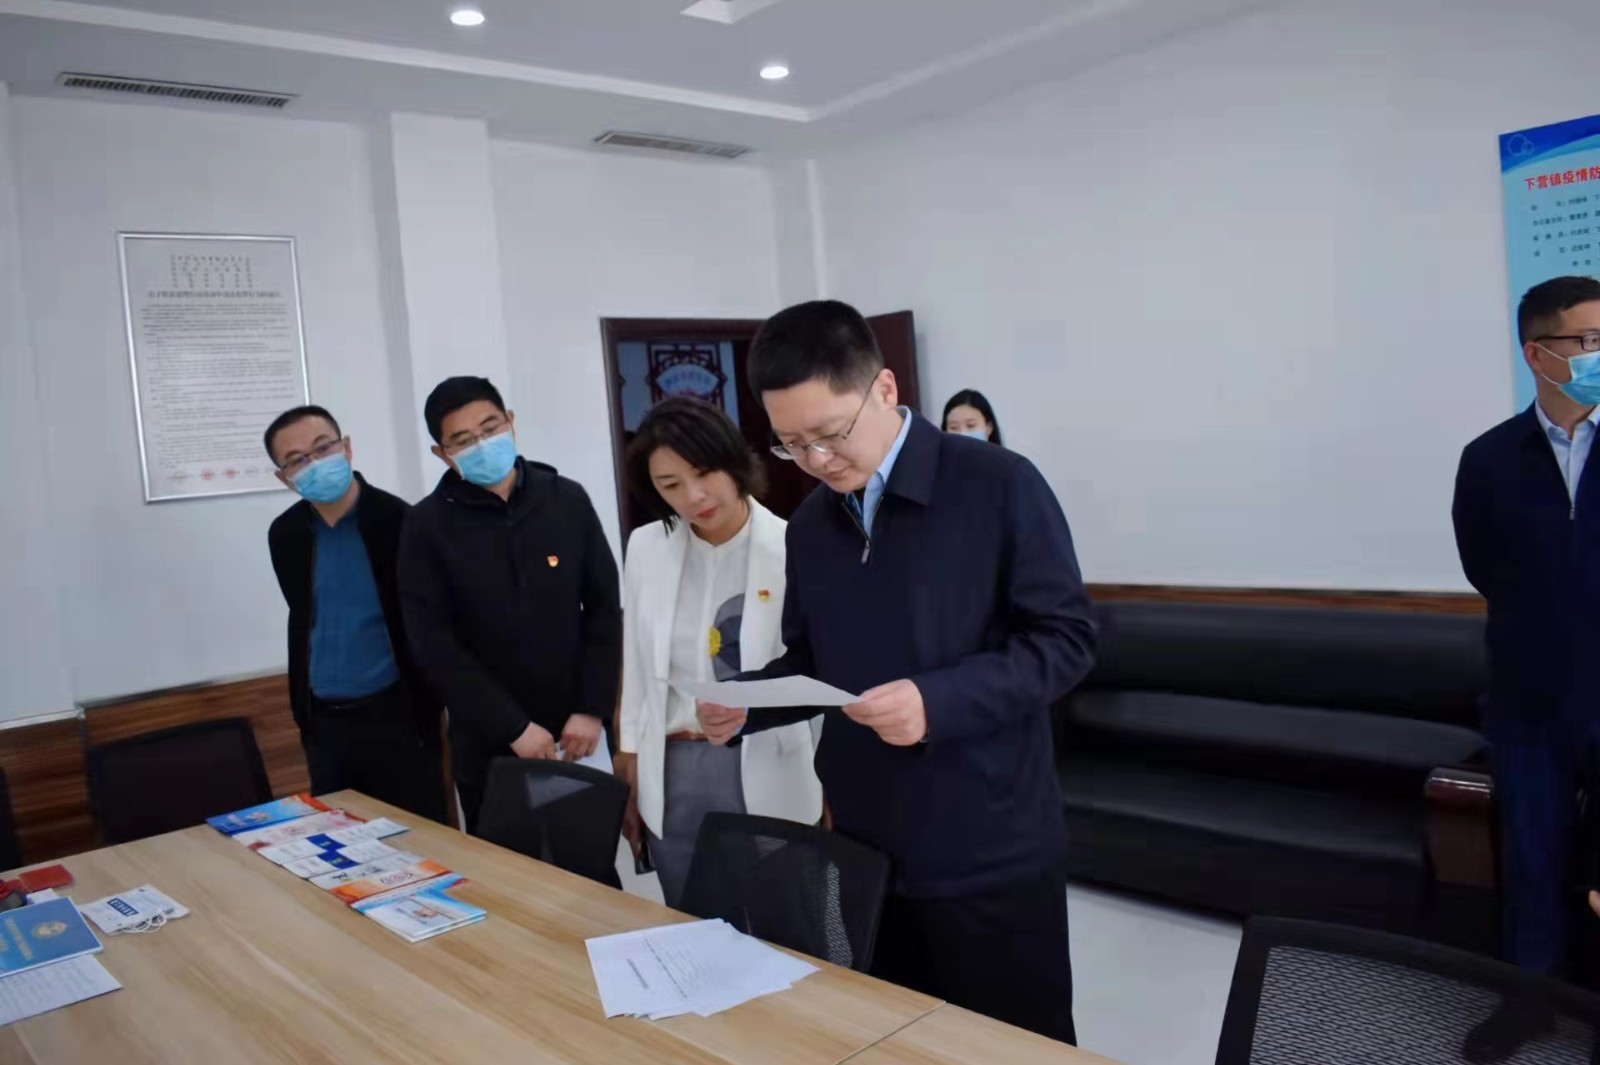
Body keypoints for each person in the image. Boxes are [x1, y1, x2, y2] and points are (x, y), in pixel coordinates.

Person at [696, 300, 1095, 1044]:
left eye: (830, 433)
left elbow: (1066, 640)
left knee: (1014, 1047)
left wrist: (936, 702)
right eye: (792, 444)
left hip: (989, 846)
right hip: (867, 848)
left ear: (883, 389)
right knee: (898, 1042)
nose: (816, 461)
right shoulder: (813, 525)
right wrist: (749, 704)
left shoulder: (998, 484)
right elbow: (815, 660)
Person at [1453, 275, 1600, 1059]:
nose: (1598, 355)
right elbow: (1484, 566)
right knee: (1532, 859)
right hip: (1528, 699)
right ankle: (1530, 1000)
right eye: (1587, 341)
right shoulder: (1488, 460)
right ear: (1538, 354)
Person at [614, 397, 823, 907]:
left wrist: (831, 781)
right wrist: (629, 759)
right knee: (690, 919)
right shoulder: (646, 547)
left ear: (734, 461)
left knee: (781, 920)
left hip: (771, 763)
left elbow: (816, 672)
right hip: (674, 769)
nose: (693, 496)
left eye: (704, 473)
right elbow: (637, 664)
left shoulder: (793, 546)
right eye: (670, 485)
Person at [398, 376, 622, 835]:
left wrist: (592, 708)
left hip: (578, 732)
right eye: (463, 440)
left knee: (589, 861)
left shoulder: (566, 499)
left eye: (490, 427)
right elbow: (433, 645)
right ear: (442, 453)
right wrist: (513, 727)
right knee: (504, 868)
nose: (482, 444)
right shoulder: (425, 525)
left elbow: (603, 608)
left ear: (511, 422)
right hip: (489, 741)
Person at [264, 405, 445, 822]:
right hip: (324, 723)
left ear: (346, 447)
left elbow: (426, 621)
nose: (313, 463)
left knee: (421, 838)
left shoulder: (401, 520)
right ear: (284, 477)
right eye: (297, 460)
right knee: (343, 841)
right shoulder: (285, 533)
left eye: (322, 448)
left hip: (398, 717)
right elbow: (303, 616)